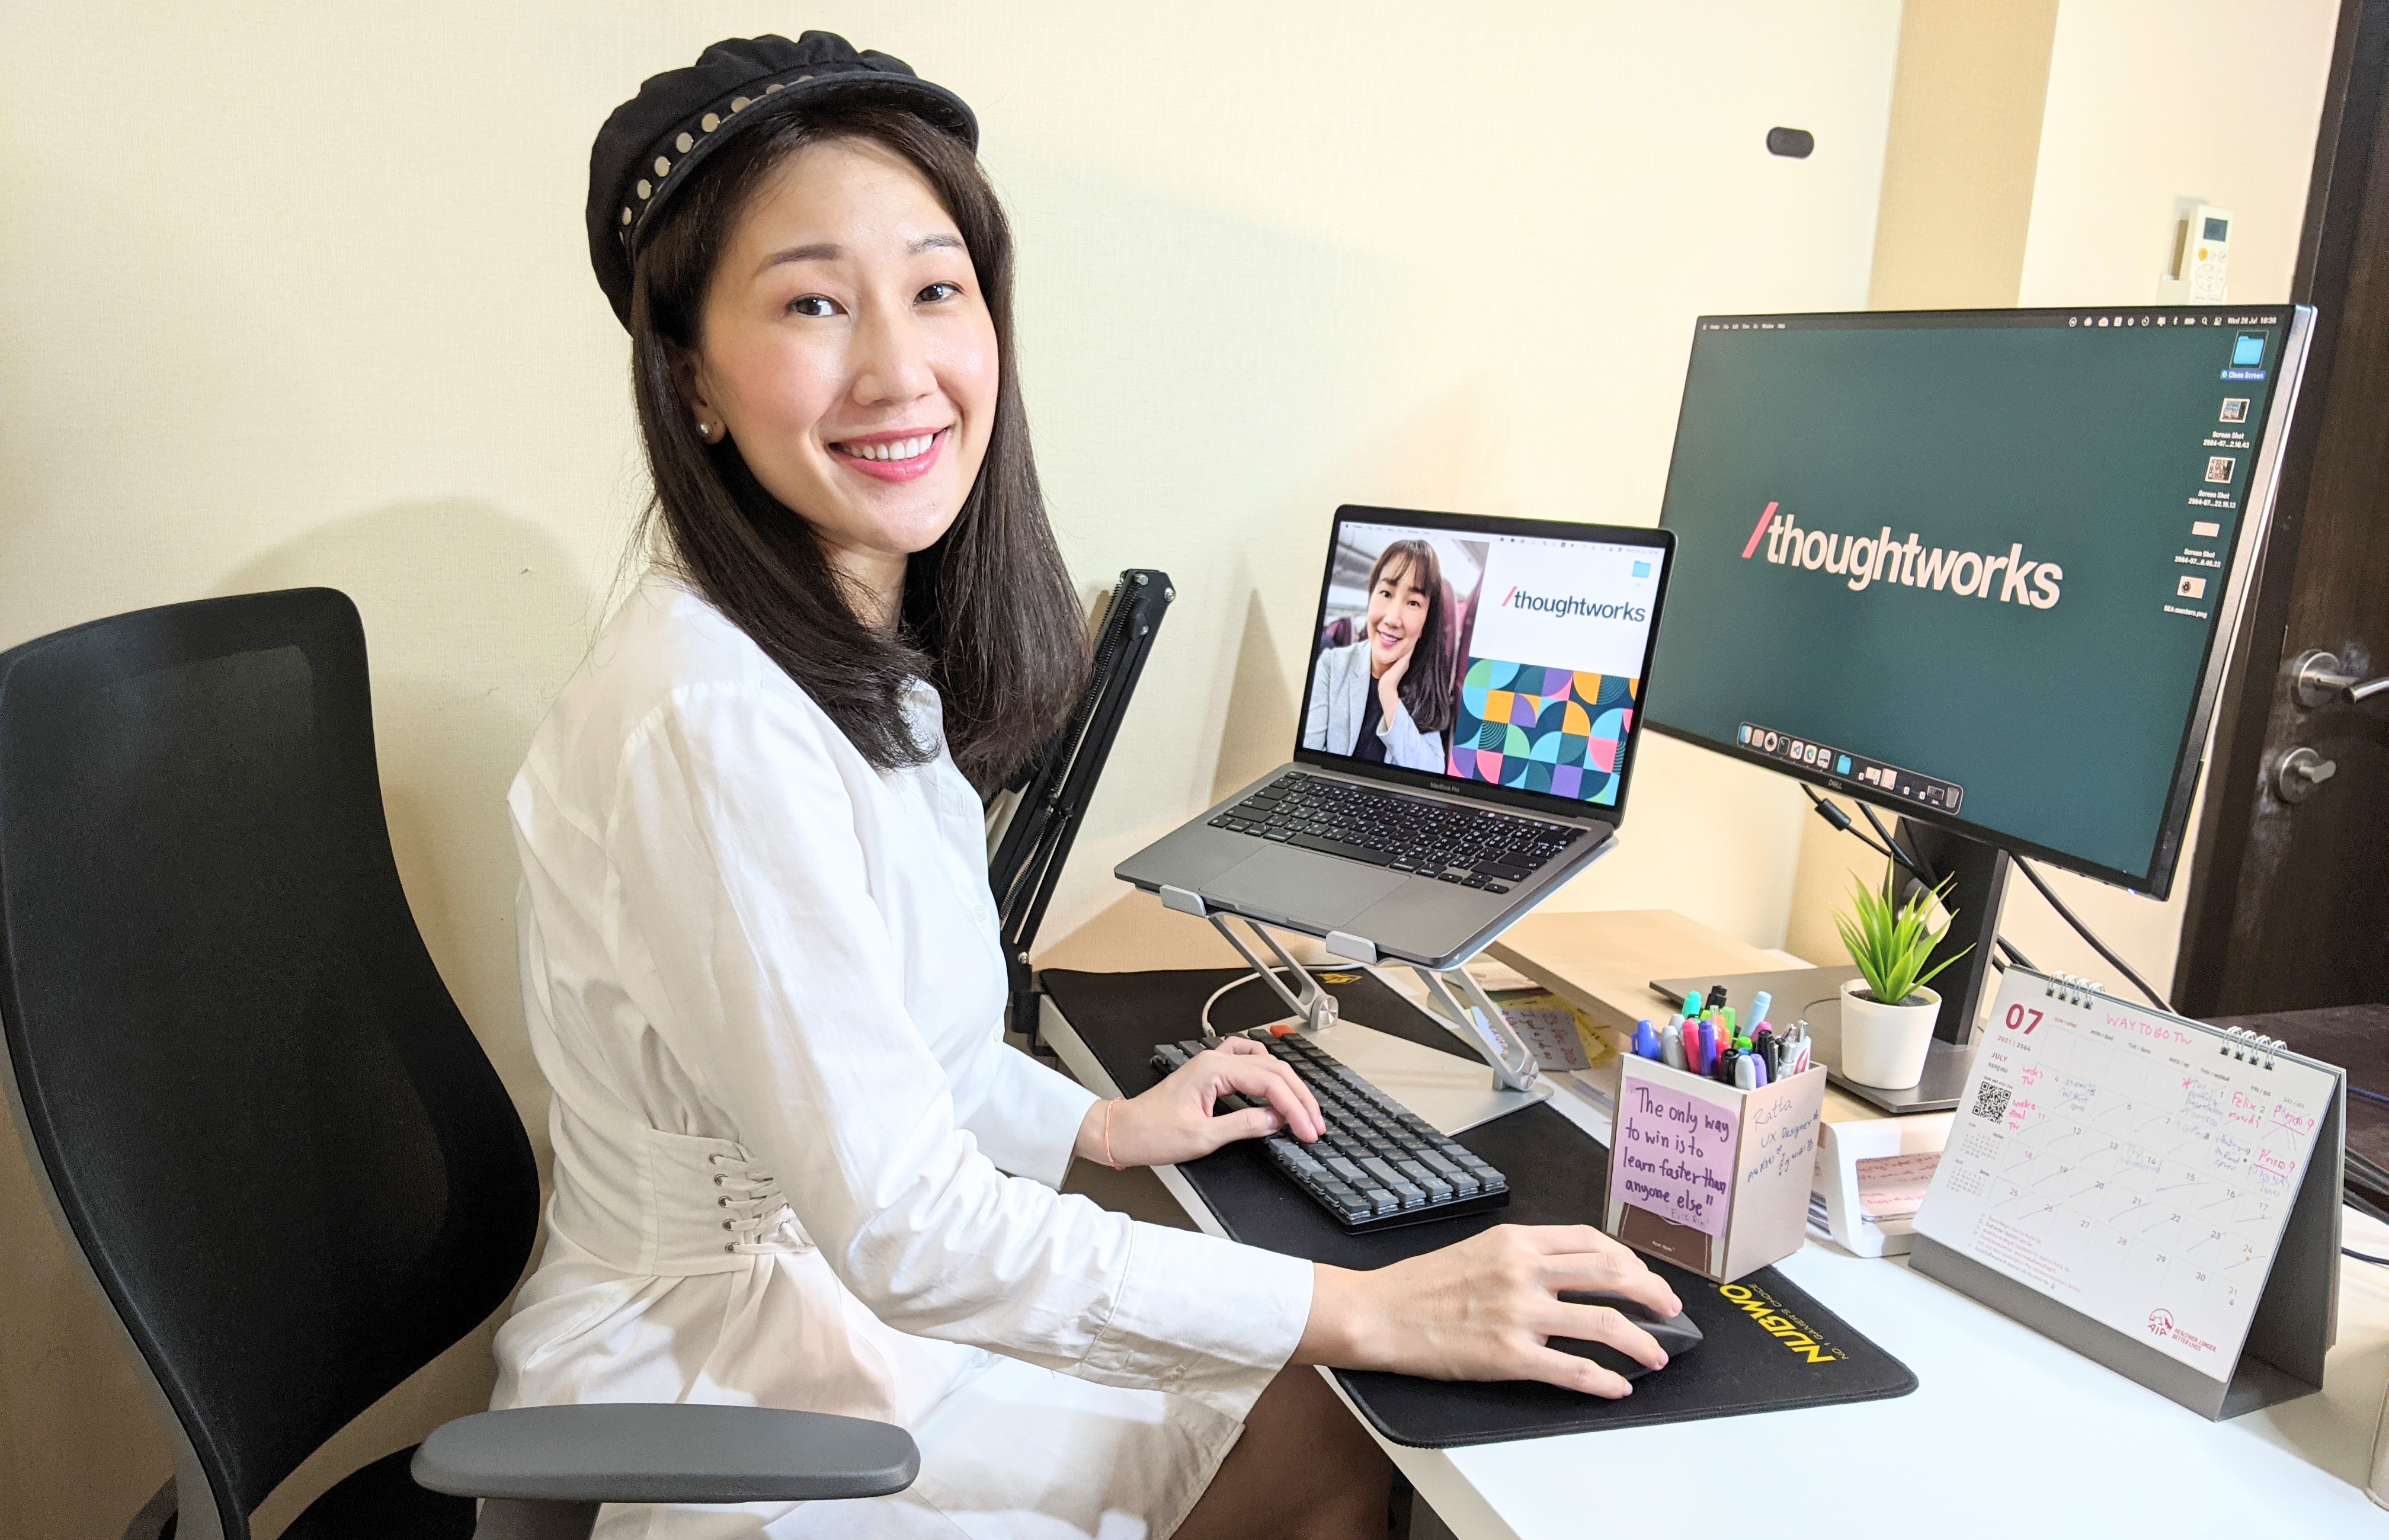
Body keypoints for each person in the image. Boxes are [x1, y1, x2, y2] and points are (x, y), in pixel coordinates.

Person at [496, 32, 1682, 1540]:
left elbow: (889, 1047)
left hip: (860, 1324)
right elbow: (902, 1221)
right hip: (718, 1397)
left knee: (1347, 1418)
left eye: (938, 289)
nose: (900, 367)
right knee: (1353, 1392)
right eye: (811, 302)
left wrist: (1098, 1133)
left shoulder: (855, 652)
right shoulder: (706, 714)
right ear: (693, 377)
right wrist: (1364, 1303)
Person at [1302, 540, 1457, 774]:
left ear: (1426, 622)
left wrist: (1388, 694)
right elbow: (1308, 767)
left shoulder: (1426, 686)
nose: (1393, 618)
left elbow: (1432, 773)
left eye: (1413, 603)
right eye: (1386, 593)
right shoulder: (1332, 665)